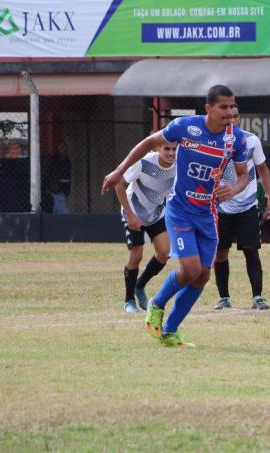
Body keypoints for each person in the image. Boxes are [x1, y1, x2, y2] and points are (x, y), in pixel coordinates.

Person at [101, 85, 252, 348]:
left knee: (204, 275)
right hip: (180, 210)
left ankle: (170, 330)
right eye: (224, 107)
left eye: (233, 106)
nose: (230, 112)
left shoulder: (236, 139)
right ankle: (157, 305)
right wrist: (118, 170)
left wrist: (235, 188)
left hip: (209, 214)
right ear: (209, 109)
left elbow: (243, 176)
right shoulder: (185, 127)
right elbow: (149, 143)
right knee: (191, 269)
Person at [213, 108, 270, 311]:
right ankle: (224, 298)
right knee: (220, 253)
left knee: (251, 251)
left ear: (239, 118)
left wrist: (269, 197)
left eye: (235, 116)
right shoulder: (213, 141)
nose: (232, 119)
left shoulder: (251, 141)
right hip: (221, 208)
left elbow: (262, 169)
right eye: (227, 116)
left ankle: (257, 297)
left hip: (247, 206)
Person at [113, 141, 177, 313]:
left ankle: (139, 286)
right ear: (157, 149)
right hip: (133, 213)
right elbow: (118, 184)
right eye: (167, 149)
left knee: (164, 253)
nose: (171, 153)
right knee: (136, 254)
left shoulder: (179, 165)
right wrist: (130, 215)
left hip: (156, 214)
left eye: (174, 149)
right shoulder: (144, 162)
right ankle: (128, 300)